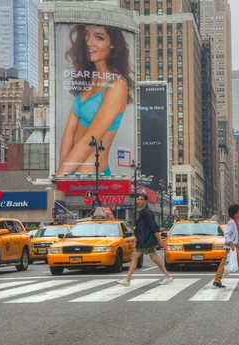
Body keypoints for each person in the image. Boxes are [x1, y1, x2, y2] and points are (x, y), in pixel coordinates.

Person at [57, 24, 135, 176]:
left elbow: (90, 140)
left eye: (99, 37)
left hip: (94, 179)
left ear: (112, 44)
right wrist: (63, 174)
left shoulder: (117, 85)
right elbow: (69, 132)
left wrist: (59, 177)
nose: (89, 42)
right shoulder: (88, 77)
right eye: (86, 34)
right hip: (70, 175)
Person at [116, 194, 173, 286]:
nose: (139, 201)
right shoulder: (143, 212)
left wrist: (160, 241)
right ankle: (168, 277)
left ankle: (127, 280)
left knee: (134, 256)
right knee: (155, 258)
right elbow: (141, 228)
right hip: (146, 239)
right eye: (138, 199)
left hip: (145, 240)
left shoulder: (146, 213)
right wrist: (136, 237)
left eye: (141, 199)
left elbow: (154, 227)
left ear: (146, 201)